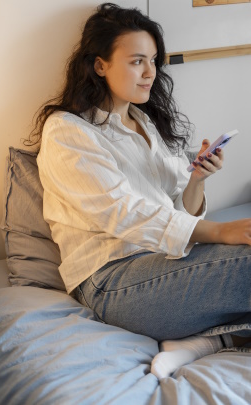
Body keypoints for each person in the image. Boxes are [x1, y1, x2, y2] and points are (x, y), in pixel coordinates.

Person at [28, 3, 251, 379]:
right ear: (100, 65)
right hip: (112, 280)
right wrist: (218, 230)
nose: (150, 73)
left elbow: (178, 210)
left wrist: (196, 180)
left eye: (153, 60)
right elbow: (122, 210)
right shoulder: (68, 131)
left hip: (163, 261)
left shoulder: (143, 122)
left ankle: (214, 341)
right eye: (136, 62)